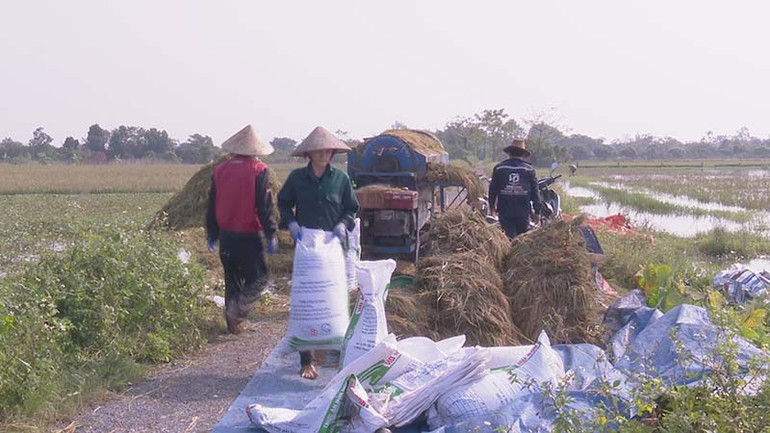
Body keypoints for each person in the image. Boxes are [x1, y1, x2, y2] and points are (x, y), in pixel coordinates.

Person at [277, 126, 359, 380]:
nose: (324, 154)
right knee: (308, 302)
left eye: (328, 150)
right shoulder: (297, 179)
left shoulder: (340, 179)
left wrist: (343, 225)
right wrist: (291, 223)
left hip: (333, 248)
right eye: (318, 150)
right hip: (308, 250)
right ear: (308, 154)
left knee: (334, 298)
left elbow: (351, 208)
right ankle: (307, 360)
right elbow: (283, 204)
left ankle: (337, 352)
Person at [206, 125, 278, 335]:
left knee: (233, 280)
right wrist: (271, 233)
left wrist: (212, 234)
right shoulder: (259, 170)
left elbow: (211, 204)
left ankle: (233, 325)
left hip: (226, 235)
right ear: (255, 150)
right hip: (249, 235)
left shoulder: (219, 170)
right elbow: (264, 206)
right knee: (259, 279)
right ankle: (236, 311)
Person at [488, 138, 542, 239]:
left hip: (505, 211)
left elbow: (492, 190)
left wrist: (492, 207)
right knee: (522, 239)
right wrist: (537, 211)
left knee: (509, 237)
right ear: (523, 154)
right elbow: (535, 192)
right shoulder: (529, 169)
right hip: (523, 212)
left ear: (509, 153)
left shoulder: (499, 168)